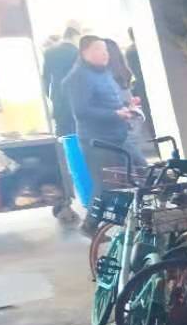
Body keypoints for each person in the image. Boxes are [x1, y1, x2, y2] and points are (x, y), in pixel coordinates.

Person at [65, 34, 137, 203]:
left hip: (118, 137)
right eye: (98, 49)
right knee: (105, 186)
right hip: (98, 141)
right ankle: (92, 225)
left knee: (138, 173)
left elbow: (108, 100)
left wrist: (127, 105)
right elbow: (81, 111)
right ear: (84, 53)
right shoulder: (79, 77)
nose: (105, 53)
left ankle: (130, 222)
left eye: (105, 49)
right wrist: (115, 114)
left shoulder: (103, 72)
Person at [41, 23, 80, 136]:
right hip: (74, 95)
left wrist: (48, 94)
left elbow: (45, 77)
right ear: (74, 36)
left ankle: (63, 151)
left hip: (57, 94)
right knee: (77, 128)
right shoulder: (76, 52)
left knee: (62, 128)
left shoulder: (49, 52)